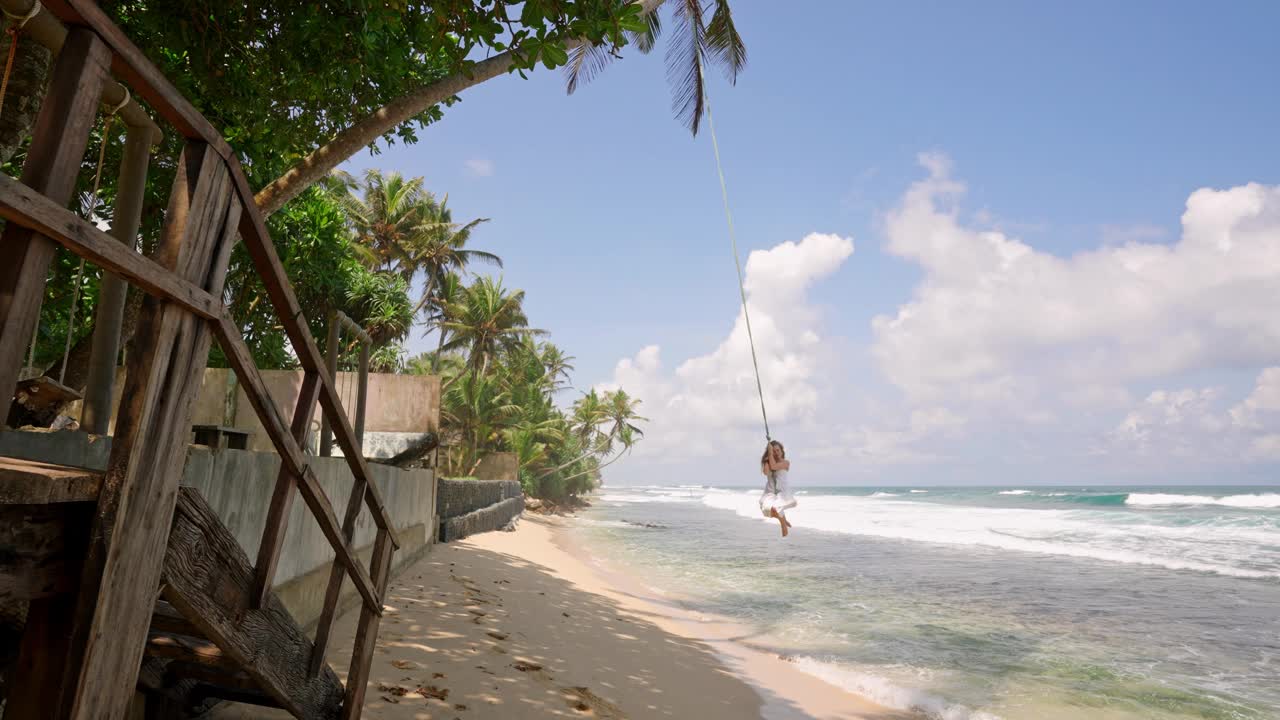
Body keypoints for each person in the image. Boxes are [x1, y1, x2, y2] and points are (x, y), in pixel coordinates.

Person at [759, 440, 796, 537]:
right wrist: (767, 459)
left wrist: (770, 453)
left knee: (776, 508)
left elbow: (775, 466)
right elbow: (767, 472)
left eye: (778, 450)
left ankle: (783, 524)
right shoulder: (769, 463)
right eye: (774, 451)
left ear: (782, 451)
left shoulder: (786, 463)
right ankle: (782, 519)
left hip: (781, 492)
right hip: (770, 492)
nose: (776, 453)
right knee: (766, 510)